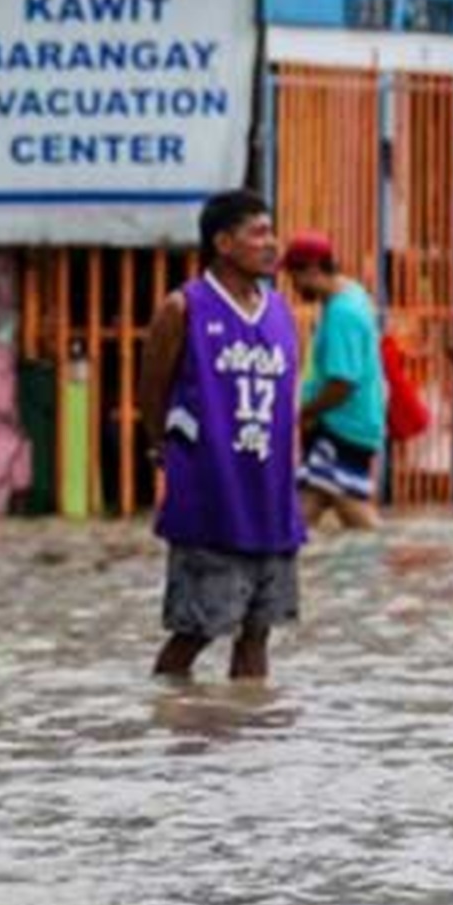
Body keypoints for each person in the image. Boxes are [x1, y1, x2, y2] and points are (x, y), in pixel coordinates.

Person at [136, 190, 306, 681]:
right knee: (195, 630)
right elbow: (153, 392)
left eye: (272, 232)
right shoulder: (184, 308)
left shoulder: (280, 312)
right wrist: (162, 450)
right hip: (210, 502)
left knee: (259, 633)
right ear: (223, 243)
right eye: (258, 233)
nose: (272, 244)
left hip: (272, 503)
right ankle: (170, 722)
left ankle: (249, 745)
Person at [283, 232, 386, 530]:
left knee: (339, 506)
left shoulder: (343, 311)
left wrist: (308, 412)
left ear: (314, 269)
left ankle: (378, 566)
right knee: (311, 503)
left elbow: (343, 382)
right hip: (346, 423)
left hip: (342, 425)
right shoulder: (349, 295)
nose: (293, 287)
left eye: (295, 277)